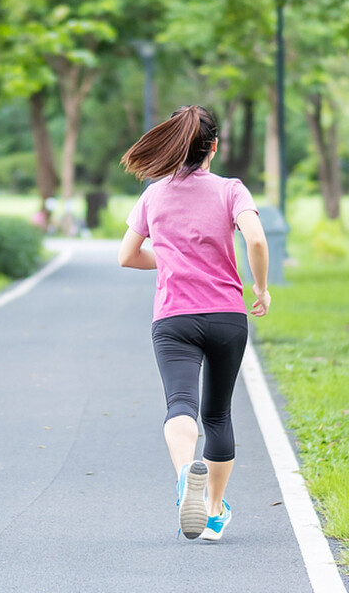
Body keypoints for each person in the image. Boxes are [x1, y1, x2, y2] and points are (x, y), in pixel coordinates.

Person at [117, 105, 271, 541]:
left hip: (174, 317)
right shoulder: (231, 189)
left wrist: (167, 259)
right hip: (226, 315)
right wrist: (260, 288)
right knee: (218, 413)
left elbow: (127, 256)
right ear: (214, 147)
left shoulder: (154, 194)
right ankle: (214, 511)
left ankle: (186, 474)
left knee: (179, 405)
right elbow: (256, 238)